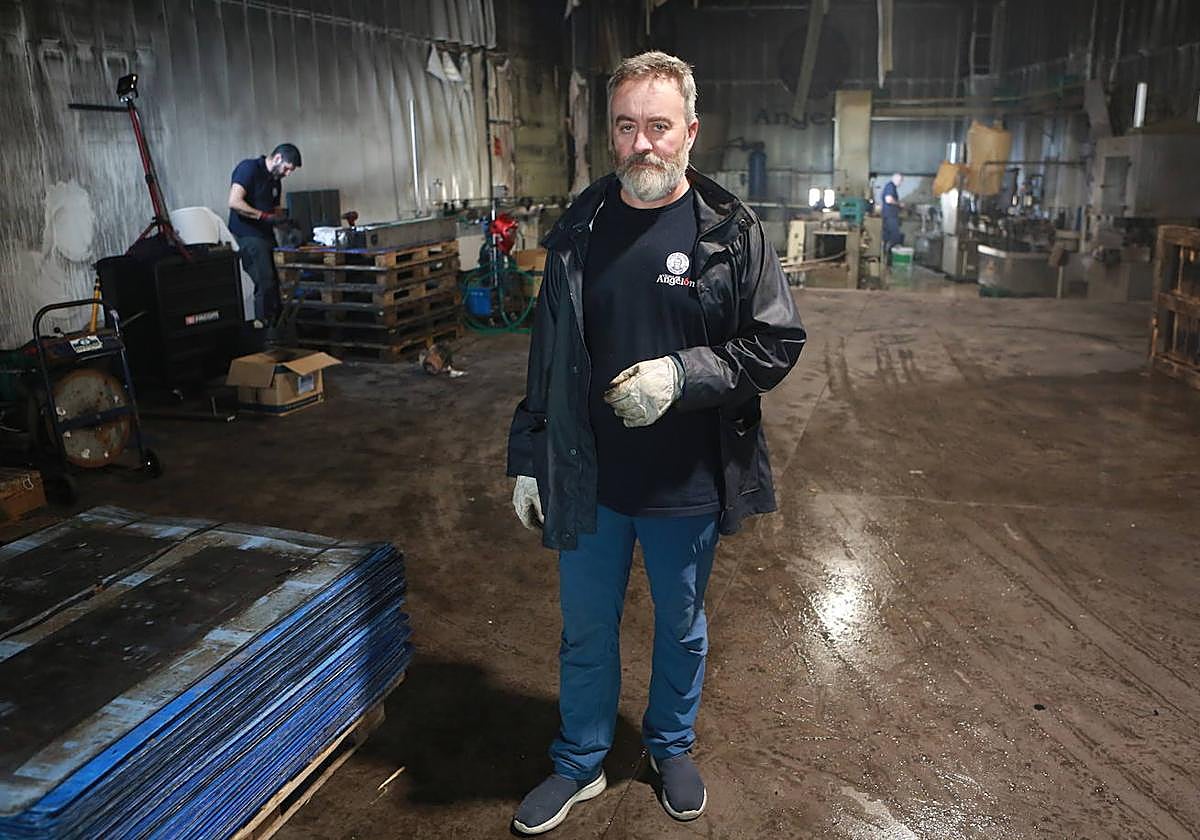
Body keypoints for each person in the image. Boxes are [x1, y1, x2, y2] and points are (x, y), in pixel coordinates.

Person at [505, 51, 806, 835]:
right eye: (628, 126)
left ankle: (670, 746)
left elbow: (776, 341)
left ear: (691, 132)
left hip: (686, 482)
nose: (643, 144)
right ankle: (579, 761)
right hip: (590, 476)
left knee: (680, 626)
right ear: (612, 132)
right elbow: (546, 359)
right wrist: (527, 455)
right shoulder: (579, 228)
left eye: (659, 127)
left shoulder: (730, 231)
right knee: (585, 630)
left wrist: (681, 375)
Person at [227, 144, 301, 323]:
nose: (287, 174)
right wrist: (262, 216)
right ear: (277, 159)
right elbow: (234, 202)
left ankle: (277, 326)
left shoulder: (275, 180)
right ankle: (265, 330)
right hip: (247, 236)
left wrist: (287, 226)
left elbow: (274, 212)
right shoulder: (249, 169)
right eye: (287, 168)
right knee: (265, 281)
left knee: (276, 284)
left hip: (266, 236)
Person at [881, 172, 904, 262]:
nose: (901, 183)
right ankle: (892, 259)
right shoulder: (890, 186)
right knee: (895, 237)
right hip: (890, 216)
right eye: (901, 181)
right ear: (897, 179)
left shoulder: (890, 187)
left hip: (888, 215)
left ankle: (885, 260)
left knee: (886, 237)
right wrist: (899, 204)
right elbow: (889, 199)